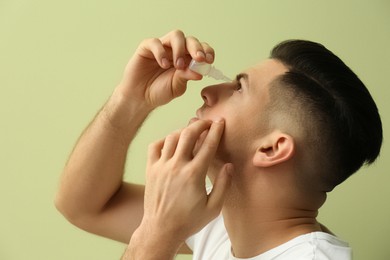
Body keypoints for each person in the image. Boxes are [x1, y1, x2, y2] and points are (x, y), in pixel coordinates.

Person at [55, 30, 382, 260]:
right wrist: (130, 100)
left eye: (239, 89)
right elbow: (84, 206)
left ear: (271, 148)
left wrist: (158, 233)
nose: (207, 92)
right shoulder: (223, 222)